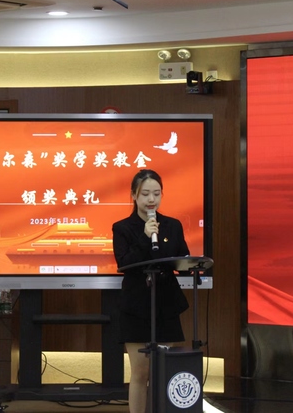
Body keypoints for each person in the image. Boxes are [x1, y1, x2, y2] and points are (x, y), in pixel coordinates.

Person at [112, 169, 189, 413]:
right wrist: (146, 237)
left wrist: (192, 266)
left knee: (163, 370)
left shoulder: (172, 226)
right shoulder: (122, 228)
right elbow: (124, 263)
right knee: (140, 372)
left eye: (156, 193)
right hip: (136, 306)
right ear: (134, 195)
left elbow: (183, 258)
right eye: (145, 194)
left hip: (165, 304)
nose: (151, 199)